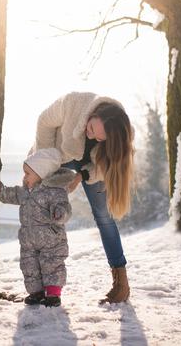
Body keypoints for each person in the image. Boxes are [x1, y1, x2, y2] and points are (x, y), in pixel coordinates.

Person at [33, 92, 134, 304]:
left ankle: (121, 284)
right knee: (42, 215)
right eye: (91, 130)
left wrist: (83, 175)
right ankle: (42, 284)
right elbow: (44, 121)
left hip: (90, 166)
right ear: (95, 114)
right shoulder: (73, 103)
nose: (91, 137)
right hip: (58, 155)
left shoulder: (122, 135)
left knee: (104, 217)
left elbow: (105, 167)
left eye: (99, 139)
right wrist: (45, 159)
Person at [0, 148, 75, 307]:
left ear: (41, 173)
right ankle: (36, 292)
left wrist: (60, 213)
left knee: (51, 264)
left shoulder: (55, 191)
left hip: (51, 239)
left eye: (28, 174)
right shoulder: (25, 191)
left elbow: (64, 207)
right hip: (29, 239)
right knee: (29, 265)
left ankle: (53, 294)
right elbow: (13, 194)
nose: (24, 178)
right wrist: (2, 192)